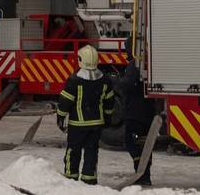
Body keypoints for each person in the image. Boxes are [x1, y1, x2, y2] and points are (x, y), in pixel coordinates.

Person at [56, 44, 115, 185]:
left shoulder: (74, 80)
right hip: (96, 125)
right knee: (91, 152)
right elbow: (109, 103)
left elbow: (65, 102)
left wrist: (60, 117)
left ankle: (71, 178)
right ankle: (89, 179)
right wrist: (107, 119)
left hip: (77, 125)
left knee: (73, 151)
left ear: (81, 59)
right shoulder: (105, 79)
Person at [117, 37, 154, 186]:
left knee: (132, 143)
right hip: (148, 111)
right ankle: (145, 174)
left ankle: (141, 175)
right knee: (145, 144)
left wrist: (114, 81)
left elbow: (127, 85)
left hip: (135, 112)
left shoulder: (134, 65)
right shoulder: (148, 62)